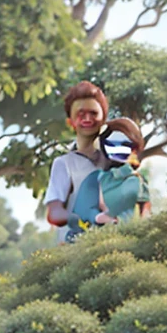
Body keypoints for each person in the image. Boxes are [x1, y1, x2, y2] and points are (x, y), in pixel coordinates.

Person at [43, 81, 112, 242]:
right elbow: (54, 212)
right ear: (70, 122)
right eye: (81, 114)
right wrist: (78, 218)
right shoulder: (64, 163)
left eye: (93, 113)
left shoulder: (114, 161)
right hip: (77, 245)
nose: (87, 119)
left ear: (103, 118)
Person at [65, 117, 152, 234]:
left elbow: (145, 215)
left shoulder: (137, 180)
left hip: (124, 238)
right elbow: (76, 215)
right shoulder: (95, 179)